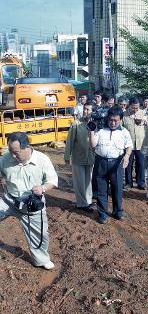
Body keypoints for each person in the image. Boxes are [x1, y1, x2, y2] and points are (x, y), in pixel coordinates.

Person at [0, 132, 58, 270]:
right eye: (10, 151)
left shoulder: (42, 159)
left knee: (40, 237)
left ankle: (41, 259)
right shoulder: (6, 158)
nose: (13, 156)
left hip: (31, 205)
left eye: (16, 152)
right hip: (9, 201)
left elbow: (53, 181)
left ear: (27, 147)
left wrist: (43, 188)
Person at [89, 106, 133, 224]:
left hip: (116, 164)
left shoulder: (124, 132)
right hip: (101, 163)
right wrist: (91, 131)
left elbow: (129, 146)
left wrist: (127, 156)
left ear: (121, 120)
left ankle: (117, 211)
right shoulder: (101, 130)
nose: (113, 123)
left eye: (116, 120)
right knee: (101, 189)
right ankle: (102, 213)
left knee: (117, 188)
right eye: (110, 120)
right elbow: (93, 145)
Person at [64, 101, 95, 212]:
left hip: (91, 157)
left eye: (88, 109)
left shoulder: (96, 124)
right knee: (79, 182)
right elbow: (69, 141)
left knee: (88, 180)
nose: (85, 111)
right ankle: (82, 203)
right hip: (78, 157)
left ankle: (88, 201)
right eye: (84, 109)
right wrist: (67, 156)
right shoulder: (76, 124)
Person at [123, 97, 148, 189]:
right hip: (128, 144)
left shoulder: (144, 114)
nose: (135, 110)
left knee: (141, 164)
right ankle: (128, 183)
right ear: (129, 106)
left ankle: (140, 182)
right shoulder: (124, 115)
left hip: (141, 144)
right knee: (128, 164)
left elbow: (147, 128)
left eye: (137, 108)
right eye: (133, 108)